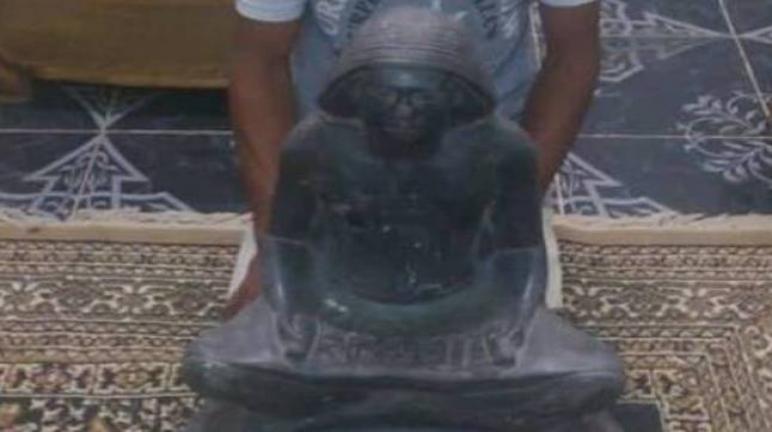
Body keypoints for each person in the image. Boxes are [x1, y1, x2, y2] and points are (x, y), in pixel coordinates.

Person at [225, 0, 601, 318]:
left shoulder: (505, 151)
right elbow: (259, 60)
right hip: (333, 176)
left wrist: (509, 211)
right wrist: (278, 241)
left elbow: (573, 52)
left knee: (519, 350)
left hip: (481, 175)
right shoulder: (312, 145)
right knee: (267, 342)